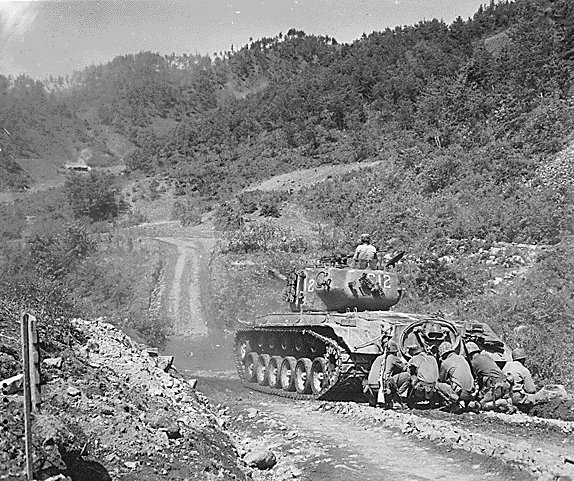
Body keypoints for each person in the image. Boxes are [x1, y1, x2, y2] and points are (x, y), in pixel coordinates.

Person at [466, 342, 513, 412]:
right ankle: (506, 403)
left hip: (496, 387)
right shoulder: (487, 356)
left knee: (481, 404)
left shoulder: (474, 362)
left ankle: (502, 403)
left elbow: (476, 381)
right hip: (506, 384)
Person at [503, 348, 546, 412]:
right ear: (522, 359)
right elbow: (531, 390)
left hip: (504, 395)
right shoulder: (523, 369)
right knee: (540, 398)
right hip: (516, 397)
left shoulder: (506, 365)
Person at [437, 341, 476, 413]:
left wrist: (441, 364)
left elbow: (442, 379)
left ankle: (454, 404)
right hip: (472, 392)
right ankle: (467, 403)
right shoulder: (462, 358)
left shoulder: (445, 362)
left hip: (461, 393)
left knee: (437, 384)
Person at [381, 340, 410, 408]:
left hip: (384, 380)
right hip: (389, 381)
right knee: (408, 376)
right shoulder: (394, 358)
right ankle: (397, 395)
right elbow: (405, 368)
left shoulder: (386, 357)